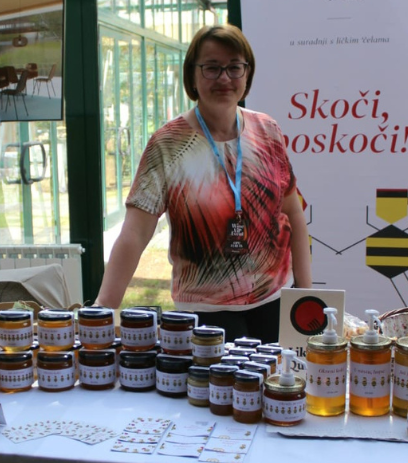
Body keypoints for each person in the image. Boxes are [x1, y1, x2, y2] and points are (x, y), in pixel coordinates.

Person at [94, 24, 311, 344]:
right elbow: (135, 233)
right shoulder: (168, 143)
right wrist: (103, 307)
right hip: (205, 313)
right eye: (211, 67)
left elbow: (293, 213)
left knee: (280, 377)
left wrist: (306, 294)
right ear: (192, 77)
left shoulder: (268, 131)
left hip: (275, 303)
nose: (224, 78)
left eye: (234, 67)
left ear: (247, 74)